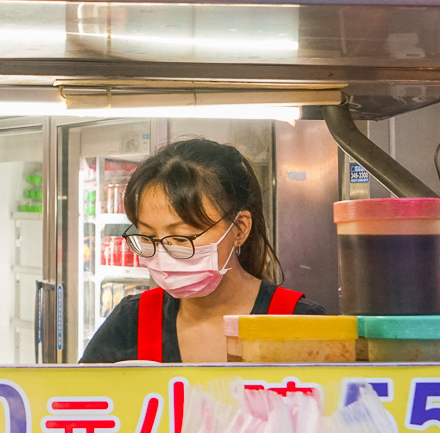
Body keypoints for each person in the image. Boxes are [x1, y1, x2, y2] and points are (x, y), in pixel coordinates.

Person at [80, 137, 324, 364]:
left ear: (239, 228)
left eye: (182, 238)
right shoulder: (132, 321)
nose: (163, 253)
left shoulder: (299, 320)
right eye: (148, 237)